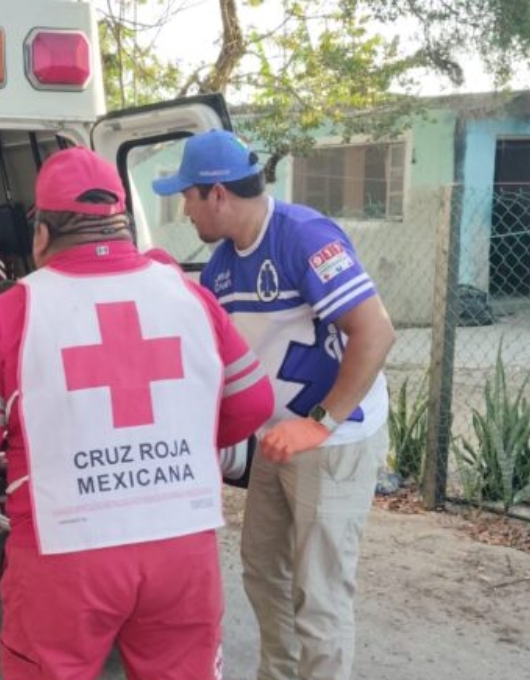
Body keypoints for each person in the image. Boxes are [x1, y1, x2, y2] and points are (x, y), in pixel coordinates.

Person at [0, 146, 274, 680]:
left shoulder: (10, 312)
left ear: (42, 233)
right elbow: (255, 401)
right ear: (122, 225)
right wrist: (183, 445)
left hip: (62, 553)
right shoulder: (189, 296)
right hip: (181, 547)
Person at [153, 129, 397, 680]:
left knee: (320, 596)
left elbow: (375, 334)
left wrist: (320, 424)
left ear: (216, 193)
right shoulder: (219, 267)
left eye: (186, 196)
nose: (184, 209)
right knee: (265, 573)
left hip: (333, 437)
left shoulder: (304, 235)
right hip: (278, 438)